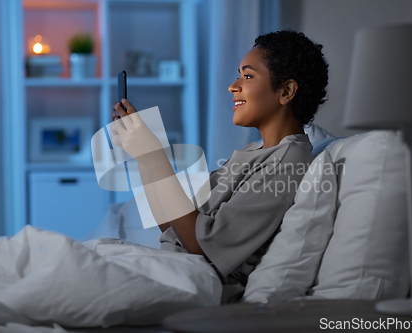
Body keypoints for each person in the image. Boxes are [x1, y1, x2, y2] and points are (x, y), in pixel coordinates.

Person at [110, 30, 329, 303]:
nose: (233, 86)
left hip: (195, 282)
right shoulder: (252, 153)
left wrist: (155, 156)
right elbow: (173, 225)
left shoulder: (288, 163)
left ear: (286, 91)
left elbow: (201, 246)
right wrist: (143, 157)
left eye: (248, 76)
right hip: (174, 268)